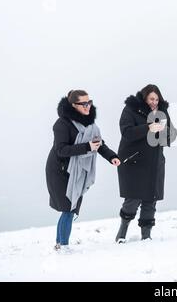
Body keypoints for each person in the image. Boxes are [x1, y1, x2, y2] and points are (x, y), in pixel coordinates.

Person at [45, 90, 121, 252]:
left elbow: (99, 144)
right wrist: (86, 147)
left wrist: (111, 157)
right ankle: (63, 246)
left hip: (78, 172)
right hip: (60, 170)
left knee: (70, 209)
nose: (88, 106)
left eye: (89, 102)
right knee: (68, 208)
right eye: (83, 104)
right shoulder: (62, 124)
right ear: (73, 105)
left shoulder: (90, 125)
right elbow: (61, 150)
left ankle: (59, 244)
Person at [116, 84, 177, 243]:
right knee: (133, 199)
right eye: (151, 99)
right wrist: (148, 127)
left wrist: (166, 132)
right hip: (134, 160)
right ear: (144, 98)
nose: (154, 102)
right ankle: (122, 230)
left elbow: (170, 136)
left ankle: (146, 235)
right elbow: (127, 133)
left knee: (151, 199)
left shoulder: (162, 112)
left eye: (157, 99)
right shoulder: (130, 109)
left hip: (155, 161)